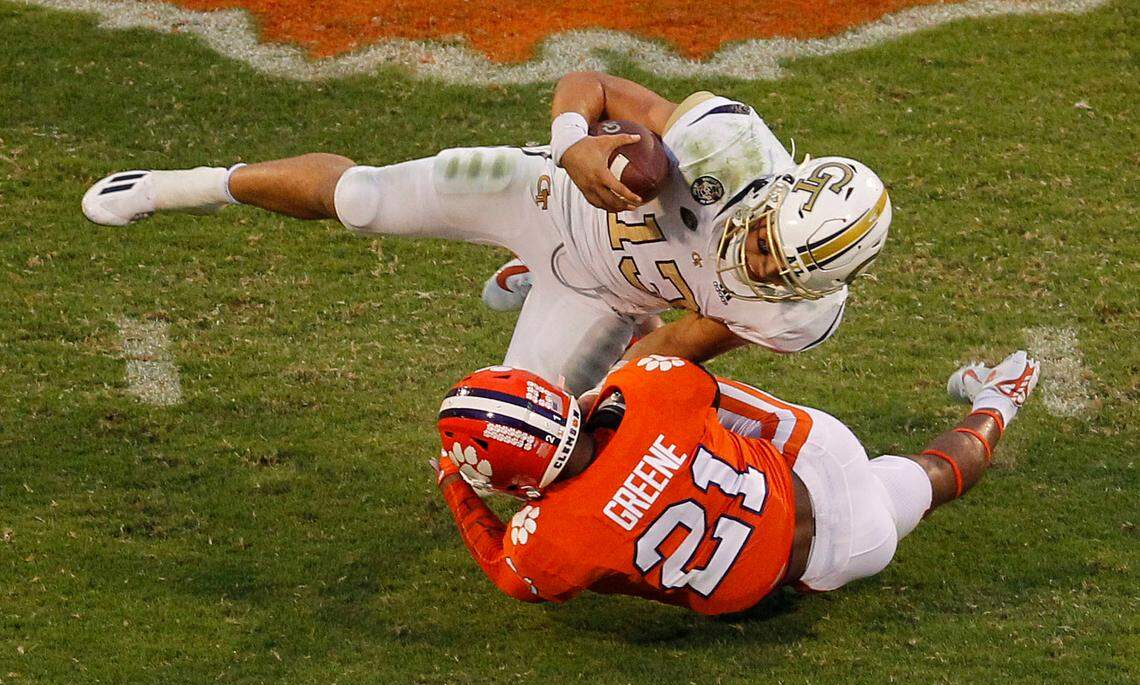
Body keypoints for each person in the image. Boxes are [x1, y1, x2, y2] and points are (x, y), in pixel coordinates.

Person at [81, 71, 890, 394]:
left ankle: (535, 289)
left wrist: (592, 409)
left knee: (522, 437)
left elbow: (679, 347)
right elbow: (591, 80)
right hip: (545, 198)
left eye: (780, 274)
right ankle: (187, 186)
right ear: (777, 195)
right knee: (362, 199)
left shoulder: (796, 311)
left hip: (602, 295)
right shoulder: (726, 146)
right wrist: (574, 144)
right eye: (764, 247)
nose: (758, 269)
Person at [430, 351, 1039, 614]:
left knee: (926, 485)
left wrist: (455, 485)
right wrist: (615, 395)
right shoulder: (648, 388)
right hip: (821, 459)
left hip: (838, 558)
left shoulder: (549, 542)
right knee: (936, 473)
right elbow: (680, 386)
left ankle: (999, 400)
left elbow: (507, 569)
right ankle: (999, 399)